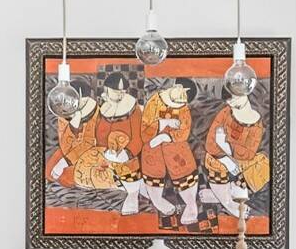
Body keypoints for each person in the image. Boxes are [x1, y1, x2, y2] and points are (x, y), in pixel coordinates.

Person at [138, 78, 200, 222]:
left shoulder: (184, 107)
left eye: (182, 103)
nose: (179, 105)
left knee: (183, 162)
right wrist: (163, 123)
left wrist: (167, 136)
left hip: (175, 145)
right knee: (152, 162)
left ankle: (191, 204)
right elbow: (145, 129)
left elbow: (184, 131)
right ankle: (157, 200)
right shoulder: (155, 101)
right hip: (153, 144)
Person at [83, 72, 145, 213]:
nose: (120, 94)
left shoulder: (133, 109)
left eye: (123, 91)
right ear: (106, 89)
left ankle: (133, 194)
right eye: (116, 91)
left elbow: (138, 137)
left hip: (128, 156)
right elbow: (96, 135)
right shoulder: (102, 109)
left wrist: (127, 152)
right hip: (105, 155)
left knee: (129, 169)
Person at [201, 91, 269, 218]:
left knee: (263, 164)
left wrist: (226, 145)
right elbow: (210, 143)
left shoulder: (256, 123)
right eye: (229, 100)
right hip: (219, 158)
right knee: (213, 161)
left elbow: (249, 153)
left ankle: (222, 195)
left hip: (241, 163)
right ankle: (229, 203)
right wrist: (226, 159)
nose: (231, 103)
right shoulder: (225, 112)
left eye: (234, 98)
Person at [47, 92, 97, 186]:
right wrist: (73, 124)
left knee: (68, 178)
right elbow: (64, 142)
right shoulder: (63, 113)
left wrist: (68, 160)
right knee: (48, 172)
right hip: (67, 149)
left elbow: (89, 142)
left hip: (89, 151)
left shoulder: (93, 110)